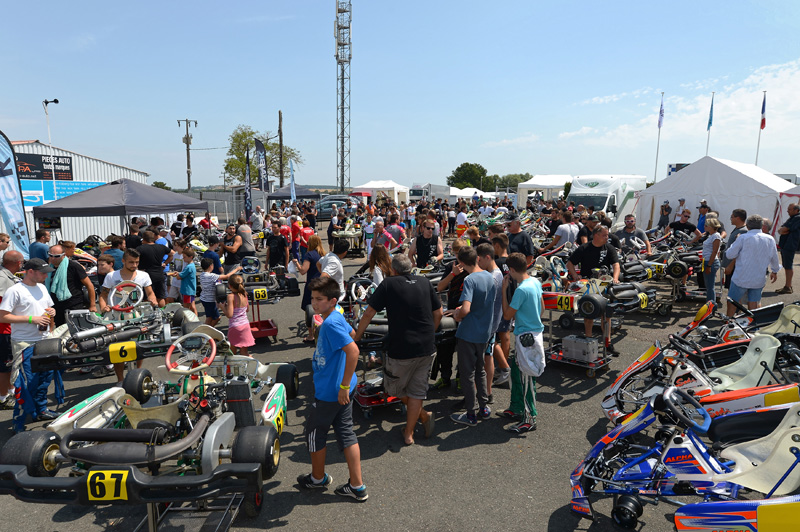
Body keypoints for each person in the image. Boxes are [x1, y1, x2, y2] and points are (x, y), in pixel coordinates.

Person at [354, 255, 441, 444]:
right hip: (427, 346)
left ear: (393, 270)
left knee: (393, 389)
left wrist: (357, 337)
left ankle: (423, 416)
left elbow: (369, 313)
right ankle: (409, 433)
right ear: (411, 267)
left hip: (402, 348)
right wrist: (430, 332)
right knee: (417, 392)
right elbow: (439, 312)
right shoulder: (424, 282)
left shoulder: (388, 284)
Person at [297, 277, 366, 501]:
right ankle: (357, 486)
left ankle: (318, 479)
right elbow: (352, 334)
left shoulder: (330, 323)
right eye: (313, 298)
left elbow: (353, 350)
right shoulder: (335, 315)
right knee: (346, 433)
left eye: (319, 299)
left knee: (314, 433)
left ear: (333, 300)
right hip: (341, 388)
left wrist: (343, 386)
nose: (314, 303)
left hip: (332, 391)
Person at [0, 258, 61, 431]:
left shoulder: (42, 287)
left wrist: (52, 312)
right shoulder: (15, 290)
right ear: (30, 271)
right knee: (27, 383)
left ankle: (41, 410)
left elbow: (48, 309)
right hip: (24, 342)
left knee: (44, 378)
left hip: (44, 340)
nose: (45, 276)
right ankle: (18, 420)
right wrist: (31, 319)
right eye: (43, 272)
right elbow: (2, 316)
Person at [498, 252, 545, 434]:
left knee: (526, 377)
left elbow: (507, 315)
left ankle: (530, 418)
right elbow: (542, 308)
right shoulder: (535, 282)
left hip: (525, 336)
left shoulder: (521, 290)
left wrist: (504, 291)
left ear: (511, 270)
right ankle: (517, 407)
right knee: (517, 373)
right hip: (533, 333)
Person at [450, 246, 496, 426]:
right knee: (480, 370)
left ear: (461, 263)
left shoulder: (469, 279)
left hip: (469, 333)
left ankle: (471, 413)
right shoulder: (489, 276)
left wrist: (457, 313)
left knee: (467, 374)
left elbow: (466, 309)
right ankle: (483, 407)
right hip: (485, 331)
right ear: (477, 258)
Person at [99, 249, 159, 383]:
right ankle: (120, 380)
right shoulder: (111, 276)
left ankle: (137, 375)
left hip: (137, 315)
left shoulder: (144, 275)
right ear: (123, 261)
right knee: (117, 349)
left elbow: (150, 293)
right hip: (116, 316)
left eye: (137, 262)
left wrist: (153, 300)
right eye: (131, 262)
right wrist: (103, 307)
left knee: (138, 346)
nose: (134, 265)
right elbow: (103, 295)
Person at [566, 225, 620, 354]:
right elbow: (569, 263)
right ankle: (588, 340)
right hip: (589, 285)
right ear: (596, 235)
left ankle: (608, 343)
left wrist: (615, 278)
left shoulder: (609, 248)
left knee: (606, 316)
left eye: (607, 235)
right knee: (588, 314)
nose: (607, 237)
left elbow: (616, 264)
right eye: (605, 235)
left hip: (604, 285)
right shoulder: (584, 248)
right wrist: (575, 275)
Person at [725, 214, 781, 314]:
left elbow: (729, 254)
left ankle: (728, 321)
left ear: (747, 226)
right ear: (761, 226)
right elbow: (774, 258)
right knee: (753, 304)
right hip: (758, 278)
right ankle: (752, 322)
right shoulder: (770, 239)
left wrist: (736, 240)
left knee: (732, 303)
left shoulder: (743, 238)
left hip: (741, 278)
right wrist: (775, 271)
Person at [476, 243, 503, 405]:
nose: (478, 263)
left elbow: (483, 303)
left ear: (487, 257)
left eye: (479, 260)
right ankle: (487, 392)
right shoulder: (497, 274)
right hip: (492, 324)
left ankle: (478, 396)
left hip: (486, 325)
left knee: (478, 362)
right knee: (488, 357)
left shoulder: (492, 278)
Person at [47, 244, 96, 326]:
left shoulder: (73, 266)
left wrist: (93, 305)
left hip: (74, 304)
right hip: (56, 305)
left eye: (56, 256)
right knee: (60, 329)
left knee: (76, 328)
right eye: (50, 255)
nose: (52, 258)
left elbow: (89, 285)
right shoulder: (48, 268)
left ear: (64, 255)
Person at [0, 250, 24, 410]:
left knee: (9, 364)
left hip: (8, 328)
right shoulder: (3, 279)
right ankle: (3, 397)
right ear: (18, 263)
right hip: (4, 329)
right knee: (5, 365)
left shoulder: (6, 276)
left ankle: (10, 391)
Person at [294, 235, 325, 343]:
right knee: (322, 308)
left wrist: (296, 263)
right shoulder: (323, 254)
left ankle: (311, 335)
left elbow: (303, 270)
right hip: (322, 283)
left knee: (309, 309)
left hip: (312, 285)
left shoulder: (309, 254)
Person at [198, 258, 241, 327]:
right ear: (211, 266)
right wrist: (236, 269)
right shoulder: (212, 276)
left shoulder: (202, 275)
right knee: (217, 318)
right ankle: (208, 330)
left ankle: (204, 330)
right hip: (210, 300)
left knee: (209, 317)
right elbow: (226, 276)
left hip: (204, 299)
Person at [137, 230, 173, 307]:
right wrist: (165, 263)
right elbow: (172, 253)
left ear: (144, 239)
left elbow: (134, 258)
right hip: (159, 274)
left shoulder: (140, 249)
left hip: (146, 275)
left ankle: (149, 312)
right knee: (160, 297)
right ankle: (162, 313)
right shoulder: (161, 247)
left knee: (147, 298)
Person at [777, 203, 800, 294]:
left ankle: (788, 286)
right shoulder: (792, 218)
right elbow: (781, 229)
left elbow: (784, 229)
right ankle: (787, 286)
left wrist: (783, 230)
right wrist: (782, 230)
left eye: (790, 209)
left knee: (788, 265)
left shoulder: (797, 218)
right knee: (786, 265)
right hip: (786, 244)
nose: (787, 211)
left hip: (790, 244)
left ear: (796, 210)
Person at [722, 209, 748, 290]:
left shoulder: (743, 231)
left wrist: (731, 265)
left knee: (734, 291)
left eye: (732, 217)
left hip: (735, 267)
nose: (730, 219)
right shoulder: (738, 229)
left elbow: (740, 251)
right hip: (732, 266)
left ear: (738, 218)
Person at [168, 246, 197, 315]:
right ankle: (195, 319)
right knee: (192, 306)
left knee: (186, 308)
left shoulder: (188, 267)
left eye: (184, 257)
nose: (183, 259)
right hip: (190, 290)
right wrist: (178, 273)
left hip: (187, 290)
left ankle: (191, 319)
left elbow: (179, 277)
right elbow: (182, 274)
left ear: (191, 257)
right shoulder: (192, 265)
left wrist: (175, 274)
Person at [702, 218, 723, 304]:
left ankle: (711, 305)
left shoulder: (716, 236)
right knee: (709, 286)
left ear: (711, 227)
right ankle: (710, 304)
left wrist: (709, 265)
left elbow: (715, 251)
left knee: (710, 286)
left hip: (710, 262)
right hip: (707, 261)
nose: (704, 226)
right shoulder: (712, 235)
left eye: (706, 225)